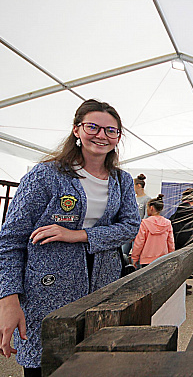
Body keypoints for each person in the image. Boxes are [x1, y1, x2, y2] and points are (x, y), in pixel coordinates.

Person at [0, 99, 141, 376]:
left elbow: (130, 227)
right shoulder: (46, 175)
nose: (102, 135)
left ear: (118, 137)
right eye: (93, 127)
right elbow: (10, 240)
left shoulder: (121, 180)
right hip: (46, 292)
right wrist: (8, 300)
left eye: (111, 131)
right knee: (47, 364)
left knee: (93, 364)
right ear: (77, 130)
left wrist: (78, 235)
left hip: (103, 286)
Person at [131, 194, 175, 269]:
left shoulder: (144, 223)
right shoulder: (167, 223)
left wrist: (135, 258)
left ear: (151, 208)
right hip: (162, 258)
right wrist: (171, 256)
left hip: (146, 260)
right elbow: (170, 242)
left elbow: (139, 243)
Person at [121, 174, 151, 255]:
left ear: (138, 186)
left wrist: (138, 229)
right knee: (124, 252)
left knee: (135, 253)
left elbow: (146, 216)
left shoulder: (147, 199)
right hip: (129, 230)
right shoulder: (132, 198)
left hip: (139, 231)